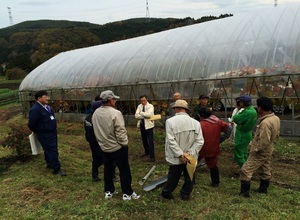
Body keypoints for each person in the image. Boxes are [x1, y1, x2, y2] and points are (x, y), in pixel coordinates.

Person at [92, 90, 140, 201]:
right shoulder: (115, 113)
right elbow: (120, 130)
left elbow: (96, 130)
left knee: (108, 169)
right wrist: (124, 143)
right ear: (109, 100)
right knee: (124, 170)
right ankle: (127, 193)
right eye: (114, 99)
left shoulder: (96, 113)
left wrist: (101, 142)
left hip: (104, 147)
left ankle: (109, 191)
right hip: (117, 147)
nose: (115, 101)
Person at [161, 100, 204, 200]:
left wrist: (181, 154)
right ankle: (185, 195)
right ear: (186, 110)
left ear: (176, 109)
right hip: (191, 157)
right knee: (190, 176)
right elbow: (200, 141)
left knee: (173, 176)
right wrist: (189, 154)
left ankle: (166, 193)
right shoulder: (196, 123)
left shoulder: (170, 122)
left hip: (176, 157)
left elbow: (171, 141)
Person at [239, 97, 280, 198]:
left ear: (260, 108)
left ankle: (244, 193)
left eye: (258, 107)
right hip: (269, 148)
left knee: (246, 170)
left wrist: (255, 149)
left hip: (261, 150)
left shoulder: (265, 123)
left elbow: (263, 140)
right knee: (265, 168)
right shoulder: (275, 118)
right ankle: (263, 189)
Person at [28, 90, 66, 176]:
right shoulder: (35, 109)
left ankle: (49, 163)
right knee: (53, 150)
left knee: (49, 149)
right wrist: (40, 130)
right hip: (45, 134)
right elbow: (31, 124)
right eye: (45, 96)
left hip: (52, 131)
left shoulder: (47, 107)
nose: (47, 98)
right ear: (39, 98)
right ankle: (57, 168)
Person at [198, 107, 232, 187]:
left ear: (202, 115)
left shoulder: (200, 124)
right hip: (213, 148)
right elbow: (229, 129)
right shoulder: (217, 121)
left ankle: (191, 181)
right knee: (213, 165)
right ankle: (215, 182)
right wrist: (220, 140)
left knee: (192, 163)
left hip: (200, 148)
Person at [232, 95, 257, 168]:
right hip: (247, 133)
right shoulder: (253, 110)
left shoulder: (247, 112)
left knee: (238, 154)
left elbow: (235, 118)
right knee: (244, 152)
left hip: (242, 134)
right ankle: (247, 166)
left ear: (242, 103)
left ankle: (245, 170)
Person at [84, 100, 103, 182]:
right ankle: (111, 176)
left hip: (91, 140)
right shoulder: (96, 118)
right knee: (106, 158)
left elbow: (86, 129)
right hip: (97, 141)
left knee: (95, 158)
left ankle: (94, 176)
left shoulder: (87, 117)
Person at [134, 95, 155, 162]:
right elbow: (136, 116)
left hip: (149, 126)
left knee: (150, 141)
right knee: (144, 140)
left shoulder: (150, 106)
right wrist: (144, 115)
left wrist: (141, 113)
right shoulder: (139, 106)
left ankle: (152, 156)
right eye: (141, 101)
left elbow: (149, 115)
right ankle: (147, 151)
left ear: (146, 100)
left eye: (144, 100)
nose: (143, 102)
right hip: (142, 125)